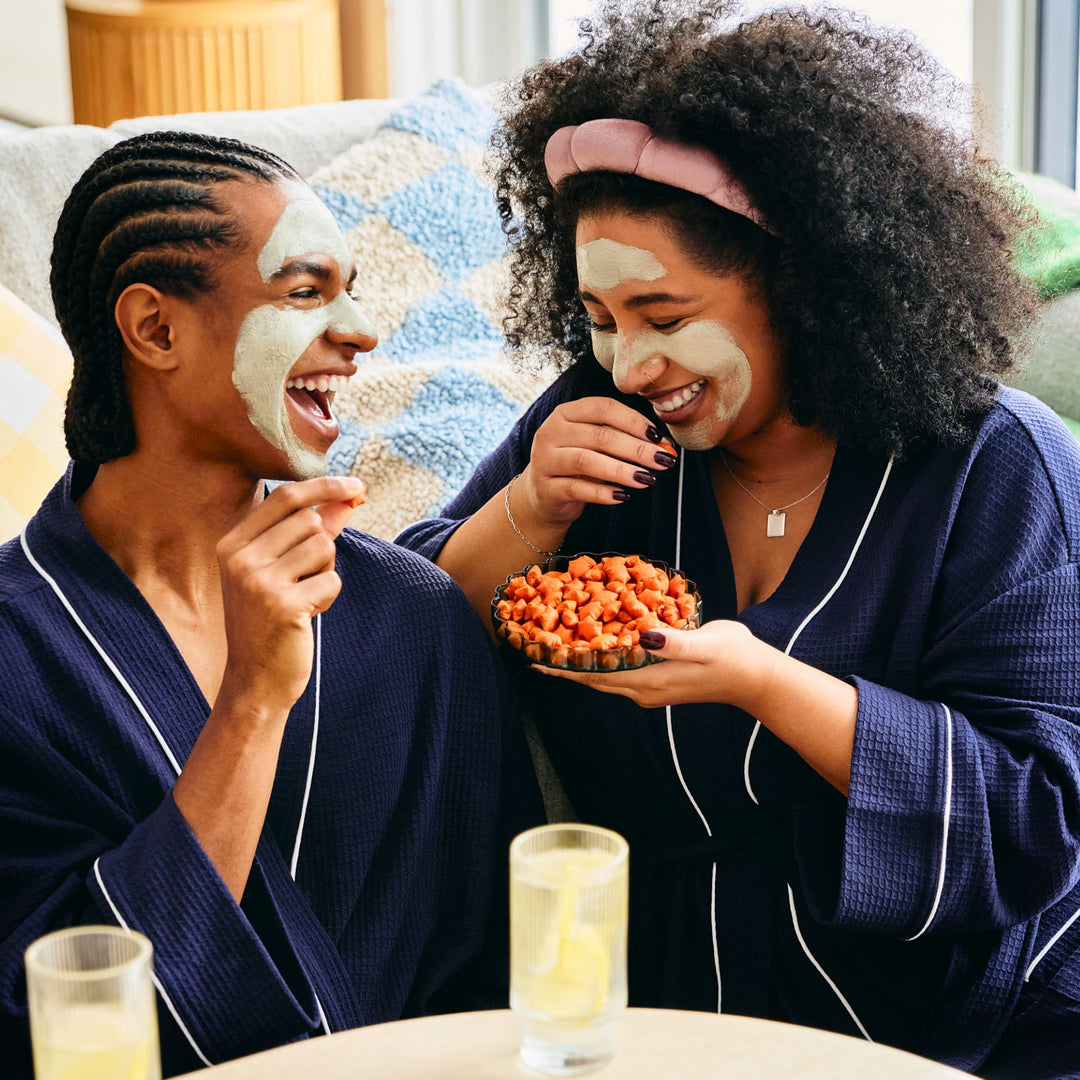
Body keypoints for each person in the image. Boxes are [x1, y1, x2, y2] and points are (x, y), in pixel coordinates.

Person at [396, 3, 1080, 1077]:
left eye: (665, 316)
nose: (628, 364)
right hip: (664, 993)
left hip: (968, 1002)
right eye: (600, 319)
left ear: (804, 282)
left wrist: (766, 684)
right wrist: (526, 509)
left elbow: (1038, 813)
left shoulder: (996, 465)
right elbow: (399, 641)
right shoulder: (589, 431)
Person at [0, 131, 540, 1078]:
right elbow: (38, 1017)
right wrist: (251, 701)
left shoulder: (414, 619)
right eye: (304, 292)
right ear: (155, 330)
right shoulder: (15, 650)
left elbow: (506, 975)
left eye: (351, 290)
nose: (363, 332)